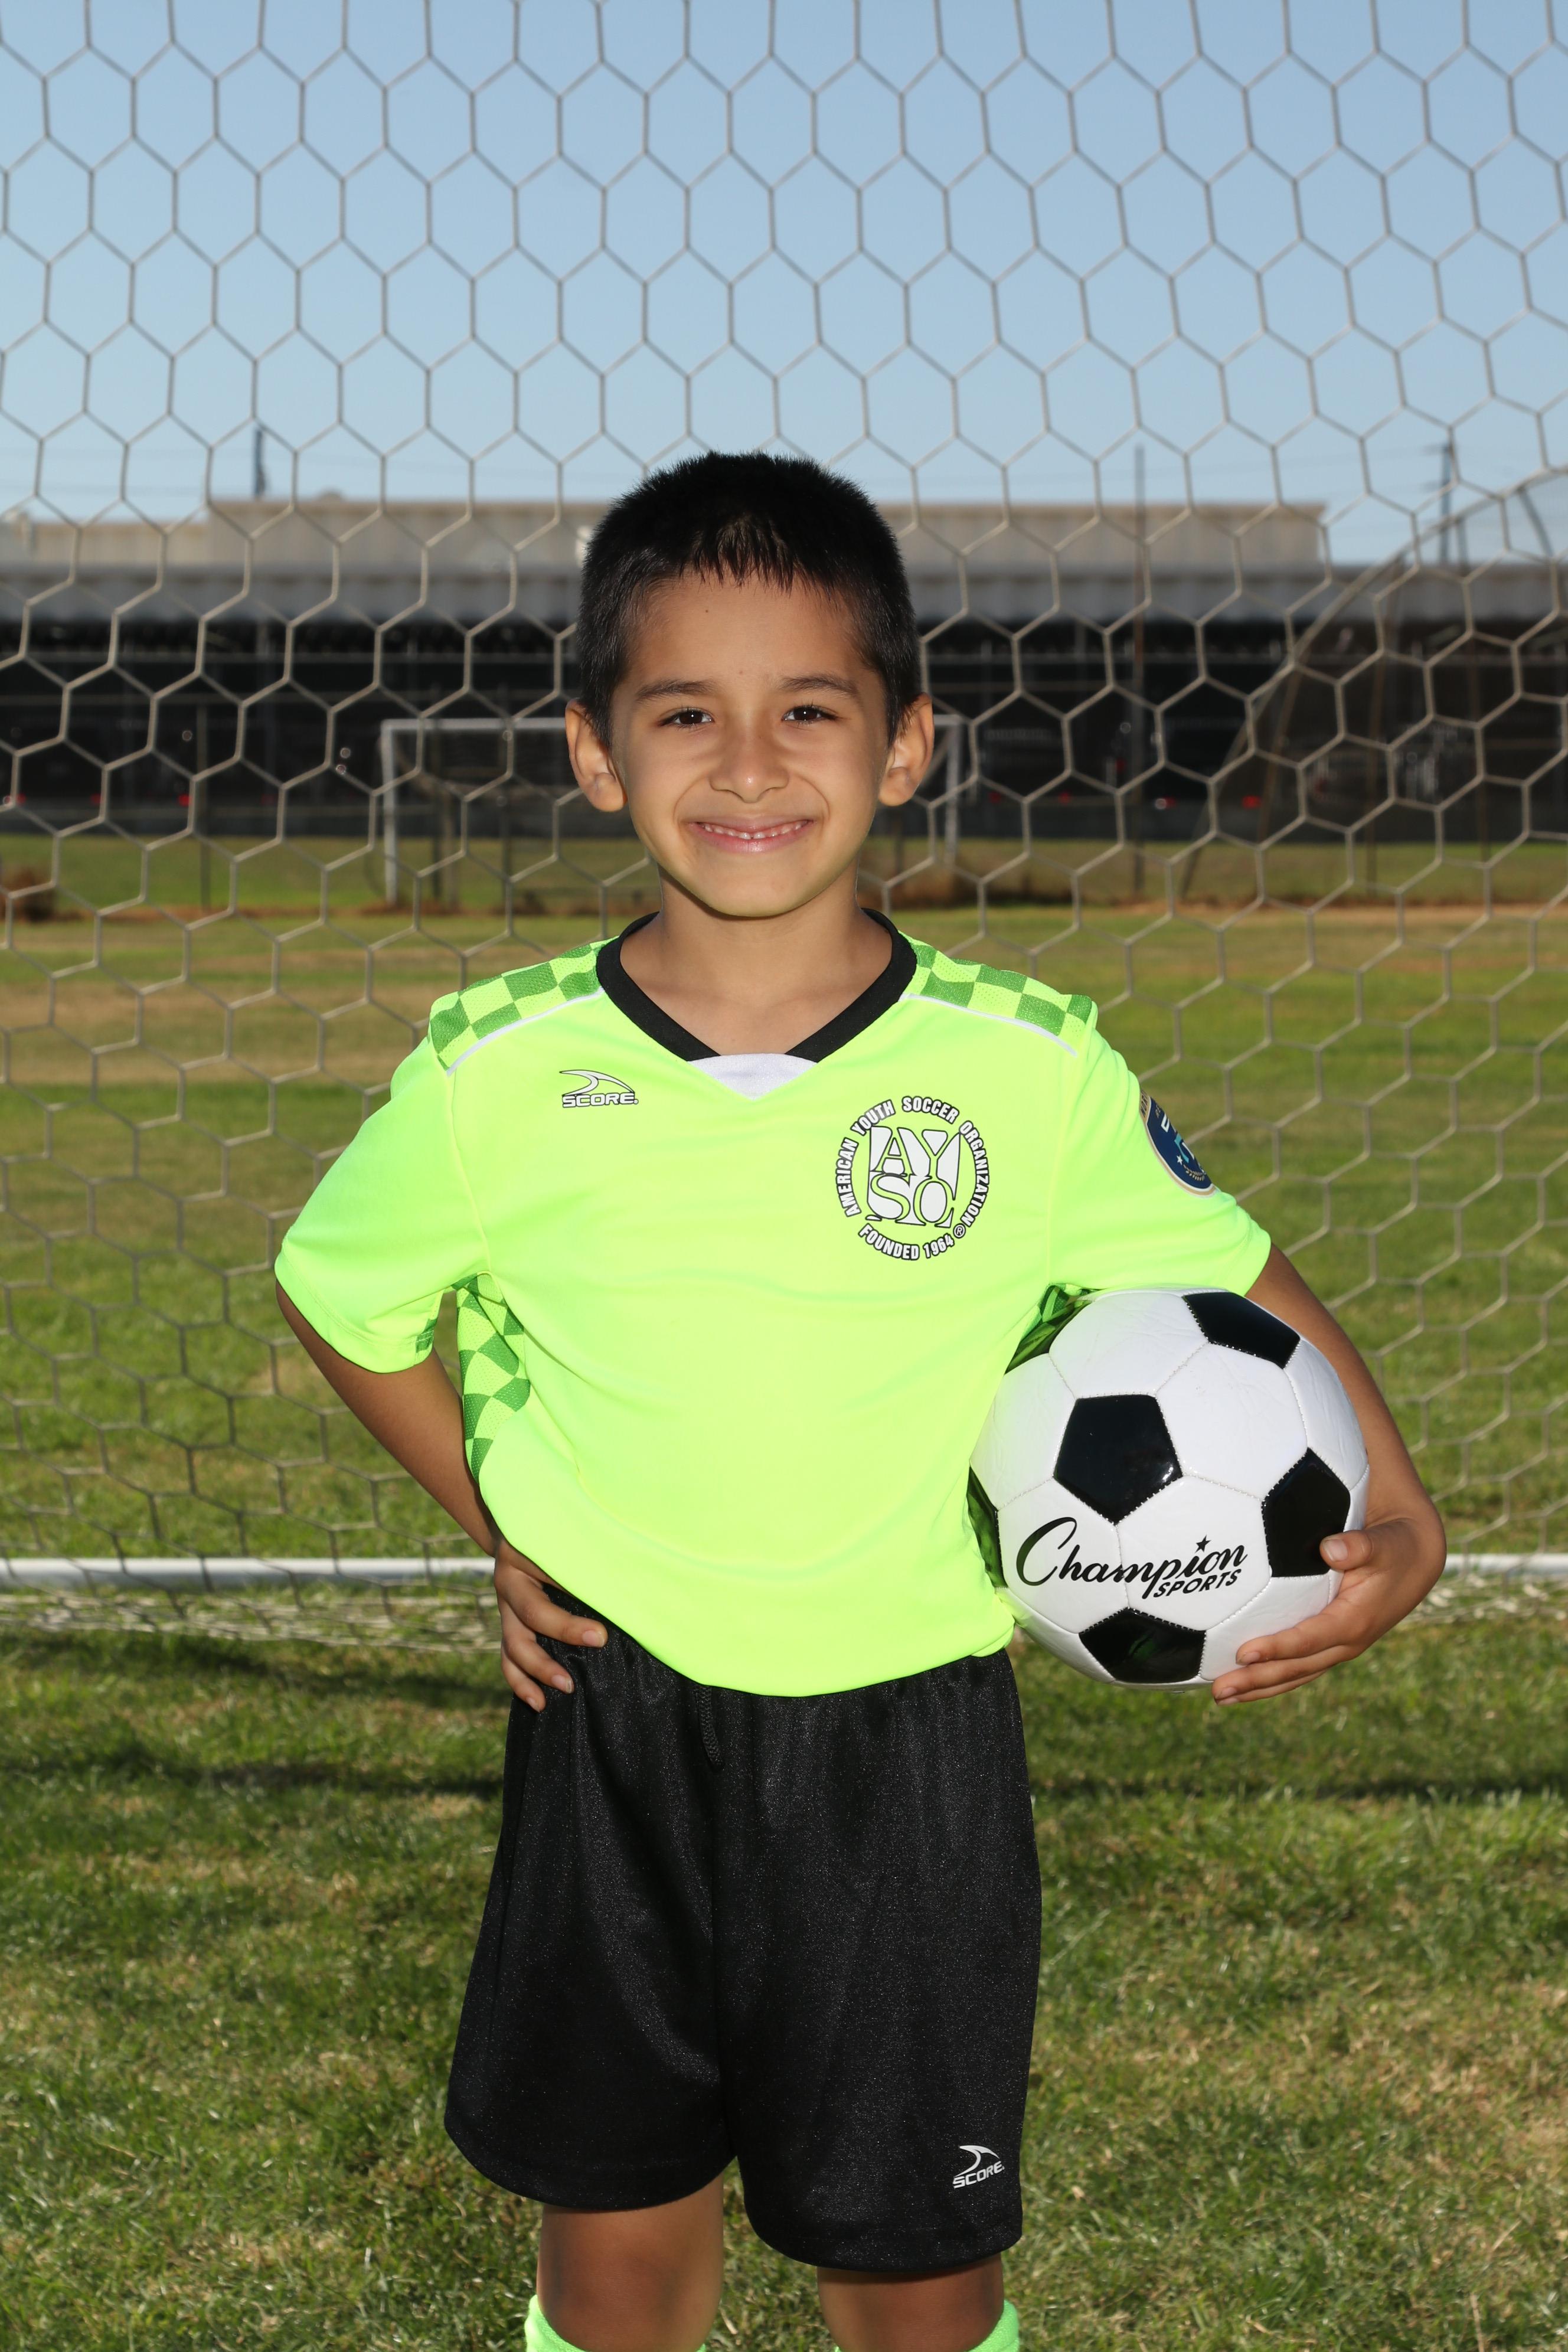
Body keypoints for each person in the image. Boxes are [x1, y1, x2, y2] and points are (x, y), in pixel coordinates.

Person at [274, 453, 1445, 2352]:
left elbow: (1240, 1276)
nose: (749, 764)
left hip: (909, 1745)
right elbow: (342, 1294)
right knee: (616, 2239)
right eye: (686, 714)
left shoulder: (1026, 1070)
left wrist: (1402, 1507)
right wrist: (503, 1519)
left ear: (906, 744)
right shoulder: (498, 1073)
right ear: (594, 754)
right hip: (612, 1719)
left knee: (914, 2261)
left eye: (808, 710)